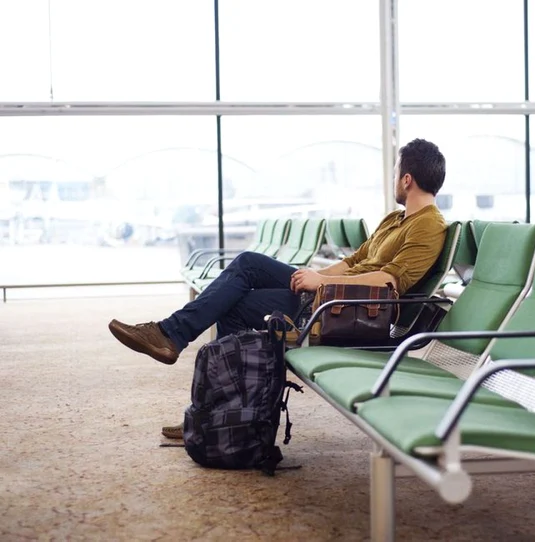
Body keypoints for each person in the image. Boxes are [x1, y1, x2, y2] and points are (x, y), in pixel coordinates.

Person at [108, 138, 448, 436]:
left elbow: (391, 281)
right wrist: (310, 277)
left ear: (407, 178)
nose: (392, 182)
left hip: (351, 311)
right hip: (331, 295)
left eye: (394, 174)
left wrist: (323, 282)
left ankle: (203, 391)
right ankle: (212, 403)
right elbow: (353, 260)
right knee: (248, 265)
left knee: (238, 298)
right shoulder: (393, 219)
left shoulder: (429, 226)